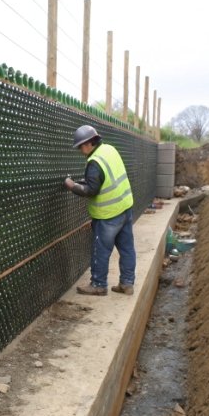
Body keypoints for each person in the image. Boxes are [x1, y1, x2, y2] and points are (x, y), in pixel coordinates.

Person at [64, 125, 136, 296]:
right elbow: (106, 177)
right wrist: (86, 181)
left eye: (81, 146)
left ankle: (98, 284)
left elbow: (91, 190)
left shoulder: (94, 162)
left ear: (88, 143)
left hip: (108, 214)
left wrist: (72, 185)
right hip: (125, 208)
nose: (81, 151)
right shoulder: (109, 149)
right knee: (127, 248)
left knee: (101, 250)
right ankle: (127, 284)